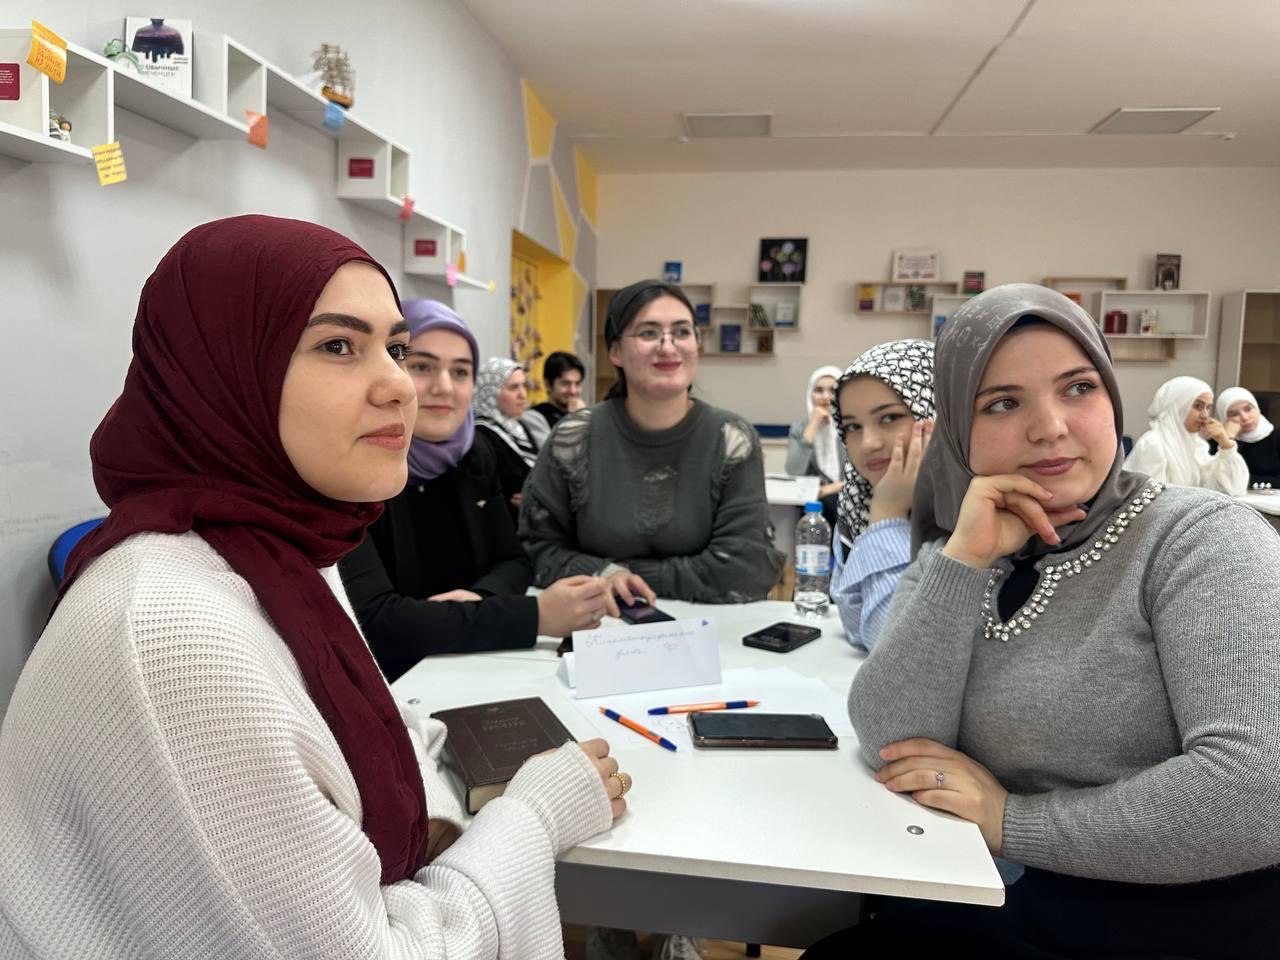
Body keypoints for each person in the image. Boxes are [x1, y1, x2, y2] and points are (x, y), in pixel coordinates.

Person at [0, 215, 632, 959]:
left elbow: (366, 730)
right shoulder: (172, 630)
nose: (400, 385)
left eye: (395, 349)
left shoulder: (278, 552)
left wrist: (443, 800)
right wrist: (534, 816)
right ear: (224, 373)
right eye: (338, 346)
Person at [806, 284, 1280, 958]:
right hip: (999, 899)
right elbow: (892, 738)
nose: (1050, 427)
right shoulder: (964, 541)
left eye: (1078, 388)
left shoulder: (1200, 539)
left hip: (1174, 927)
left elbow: (1257, 794)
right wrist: (966, 560)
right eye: (1002, 403)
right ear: (957, 429)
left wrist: (1012, 822)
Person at [338, 299, 611, 681]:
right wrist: (537, 616)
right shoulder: (347, 468)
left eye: (461, 372)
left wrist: (478, 601)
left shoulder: (474, 453)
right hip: (393, 682)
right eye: (421, 366)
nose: (444, 387)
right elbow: (378, 622)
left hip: (473, 666)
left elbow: (514, 561)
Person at [521, 278, 785, 611]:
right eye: (648, 333)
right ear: (615, 351)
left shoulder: (731, 439)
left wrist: (625, 576)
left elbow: (744, 567)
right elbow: (535, 548)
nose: (668, 346)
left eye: (682, 332)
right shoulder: (573, 438)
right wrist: (606, 574)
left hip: (709, 627)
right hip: (596, 620)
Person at [828, 339, 934, 651]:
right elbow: (857, 625)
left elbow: (903, 651)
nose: (869, 443)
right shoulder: (857, 501)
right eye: (853, 427)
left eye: (889, 418)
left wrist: (887, 517)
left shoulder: (977, 509)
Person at [1123, 375, 1248, 495]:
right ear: (1177, 406)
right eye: (1198, 406)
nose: (1205, 415)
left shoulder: (1198, 446)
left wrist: (1226, 444)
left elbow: (1232, 489)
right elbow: (1149, 499)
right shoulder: (1153, 444)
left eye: (1208, 408)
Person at [472, 357, 539, 525]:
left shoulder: (518, 427)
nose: (523, 395)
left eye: (524, 385)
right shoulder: (481, 434)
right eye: (513, 387)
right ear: (490, 392)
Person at [785, 366, 845, 526]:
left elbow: (863, 476)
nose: (825, 396)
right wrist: (813, 424)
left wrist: (830, 489)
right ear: (810, 395)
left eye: (832, 390)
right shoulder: (799, 428)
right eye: (819, 390)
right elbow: (794, 471)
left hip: (847, 498)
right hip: (814, 505)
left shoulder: (851, 426)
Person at [1216, 386, 1280, 487]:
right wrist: (1228, 440)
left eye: (1248, 409)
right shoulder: (1217, 443)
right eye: (1234, 414)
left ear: (1258, 409)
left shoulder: (1277, 438)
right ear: (1225, 418)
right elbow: (1218, 478)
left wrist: (1244, 481)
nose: (1245, 418)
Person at [523, 350, 586, 448]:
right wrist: (575, 420)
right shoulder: (534, 417)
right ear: (548, 384)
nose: (573, 391)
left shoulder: (585, 415)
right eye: (565, 384)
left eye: (577, 384)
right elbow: (552, 453)